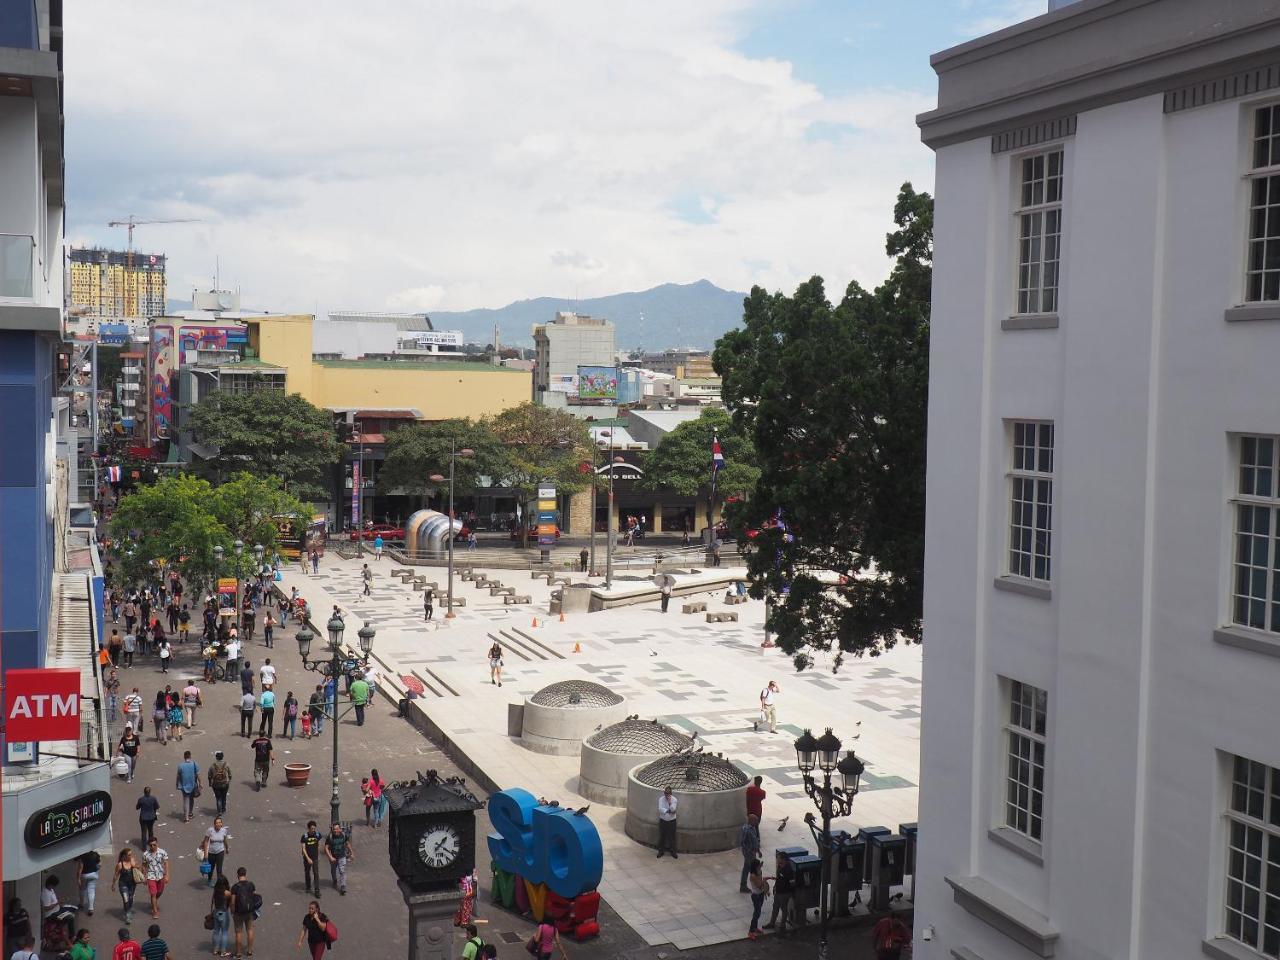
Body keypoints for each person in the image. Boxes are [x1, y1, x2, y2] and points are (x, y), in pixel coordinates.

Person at [41, 876, 78, 946]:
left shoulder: (50, 889)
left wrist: (61, 901)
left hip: (57, 909)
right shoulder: (45, 893)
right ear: (50, 884)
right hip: (51, 915)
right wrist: (58, 902)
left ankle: (60, 927)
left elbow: (54, 901)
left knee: (74, 908)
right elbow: (46, 908)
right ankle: (72, 936)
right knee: (70, 917)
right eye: (53, 886)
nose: (54, 888)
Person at [764, 851, 794, 935]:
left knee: (784, 909)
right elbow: (778, 878)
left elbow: (792, 882)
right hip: (778, 891)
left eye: (778, 858)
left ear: (783, 859)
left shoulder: (788, 869)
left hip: (784, 893)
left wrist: (789, 891)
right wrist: (775, 887)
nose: (777, 859)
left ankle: (782, 926)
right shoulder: (779, 867)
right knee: (775, 907)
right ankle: (772, 923)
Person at [229, 867, 257, 960]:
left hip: (238, 912)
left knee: (238, 933)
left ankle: (239, 953)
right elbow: (254, 897)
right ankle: (249, 951)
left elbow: (232, 901)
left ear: (237, 875)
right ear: (245, 874)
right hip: (249, 912)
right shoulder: (251, 885)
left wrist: (232, 911)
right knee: (250, 930)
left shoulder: (235, 887)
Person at [140, 838, 168, 919]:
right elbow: (144, 866)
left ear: (157, 844)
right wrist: (144, 877)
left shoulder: (162, 852)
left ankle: (154, 901)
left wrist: (167, 875)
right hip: (151, 876)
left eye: (154, 845)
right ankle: (155, 912)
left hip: (161, 875)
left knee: (160, 891)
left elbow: (166, 864)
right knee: (153, 894)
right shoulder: (145, 854)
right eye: (151, 845)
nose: (152, 847)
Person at [110, 849, 140, 924]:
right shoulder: (120, 865)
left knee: (130, 898)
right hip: (123, 884)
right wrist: (113, 884)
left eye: (131, 854)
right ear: (124, 856)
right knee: (126, 899)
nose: (131, 856)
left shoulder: (132, 860)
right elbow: (116, 875)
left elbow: (138, 867)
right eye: (129, 855)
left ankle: (128, 908)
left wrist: (135, 865)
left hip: (132, 884)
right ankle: (128, 915)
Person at [323, 822, 354, 895]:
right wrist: (330, 857)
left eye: (337, 829)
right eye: (334, 829)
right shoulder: (330, 837)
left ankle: (343, 886)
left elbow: (347, 843)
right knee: (333, 870)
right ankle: (334, 880)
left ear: (340, 829)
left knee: (342, 871)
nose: (335, 831)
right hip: (333, 857)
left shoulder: (343, 835)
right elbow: (326, 848)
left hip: (342, 856)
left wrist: (352, 853)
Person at [201, 815, 231, 886]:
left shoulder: (224, 831)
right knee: (211, 868)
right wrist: (205, 854)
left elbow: (225, 840)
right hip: (211, 852)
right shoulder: (210, 830)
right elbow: (205, 841)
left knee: (219, 869)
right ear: (214, 824)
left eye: (220, 822)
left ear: (221, 824)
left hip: (220, 851)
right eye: (217, 823)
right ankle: (209, 880)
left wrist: (227, 848)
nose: (218, 824)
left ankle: (219, 883)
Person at [746, 857, 769, 940]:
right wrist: (764, 880)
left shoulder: (759, 871)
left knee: (758, 912)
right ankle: (751, 931)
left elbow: (761, 886)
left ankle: (755, 928)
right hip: (756, 896)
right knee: (756, 913)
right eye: (758, 865)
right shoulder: (752, 875)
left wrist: (765, 890)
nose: (760, 866)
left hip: (761, 894)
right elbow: (759, 886)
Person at [209, 877, 232, 958]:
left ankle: (215, 950)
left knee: (216, 931)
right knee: (224, 932)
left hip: (216, 912)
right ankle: (223, 951)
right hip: (224, 913)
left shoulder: (215, 891)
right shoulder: (226, 893)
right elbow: (231, 901)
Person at [300, 821, 324, 898]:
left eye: (314, 828)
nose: (313, 830)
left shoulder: (317, 835)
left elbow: (318, 843)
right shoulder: (305, 836)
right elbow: (303, 849)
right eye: (312, 828)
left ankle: (317, 890)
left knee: (316, 873)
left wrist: (317, 852)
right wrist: (308, 858)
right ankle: (308, 886)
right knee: (307, 872)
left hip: (315, 857)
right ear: (308, 828)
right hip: (307, 858)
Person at [175, 750, 201, 822]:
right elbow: (198, 775)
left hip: (184, 786)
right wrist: (201, 783)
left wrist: (177, 784)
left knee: (186, 801)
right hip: (193, 785)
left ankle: (186, 818)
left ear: (184, 757)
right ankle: (190, 813)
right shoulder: (195, 764)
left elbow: (178, 776)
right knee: (191, 799)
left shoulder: (180, 766)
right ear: (190, 756)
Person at [739, 814, 761, 893]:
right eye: (756, 820)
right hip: (749, 853)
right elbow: (743, 842)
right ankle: (747, 885)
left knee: (747, 868)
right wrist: (749, 851)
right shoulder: (746, 830)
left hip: (753, 852)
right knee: (750, 869)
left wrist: (758, 851)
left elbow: (755, 840)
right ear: (751, 820)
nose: (757, 822)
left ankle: (744, 885)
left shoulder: (753, 828)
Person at [77, 847, 102, 916]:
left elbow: (80, 869)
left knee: (82, 889)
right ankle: (91, 908)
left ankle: (81, 904)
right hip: (93, 875)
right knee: (91, 891)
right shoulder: (96, 855)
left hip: (84, 875)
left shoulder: (82, 856)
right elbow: (100, 865)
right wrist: (96, 869)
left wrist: (78, 878)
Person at [657, 785, 678, 859]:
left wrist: (669, 803)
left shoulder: (674, 800)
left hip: (672, 821)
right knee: (662, 836)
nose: (666, 795)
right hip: (663, 820)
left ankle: (673, 851)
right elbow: (660, 809)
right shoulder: (661, 799)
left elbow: (673, 809)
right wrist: (667, 811)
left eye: (668, 794)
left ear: (671, 793)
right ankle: (661, 851)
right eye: (666, 793)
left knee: (672, 837)